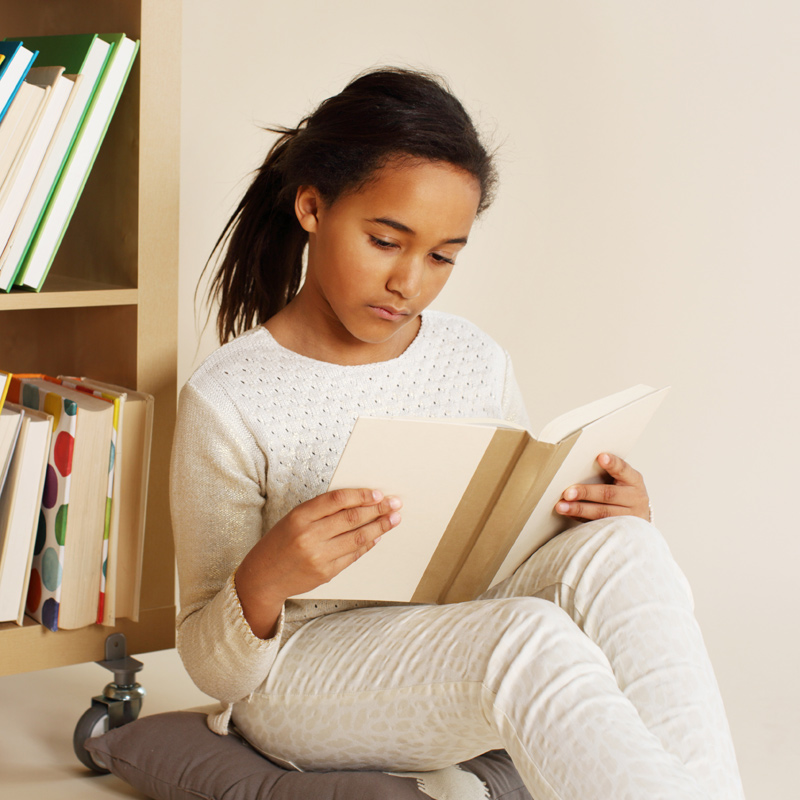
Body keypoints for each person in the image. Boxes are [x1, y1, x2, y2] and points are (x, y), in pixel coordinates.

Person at [170, 67, 745, 799]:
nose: (410, 281)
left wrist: (590, 514)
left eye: (443, 256)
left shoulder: (472, 357)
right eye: (385, 240)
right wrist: (268, 578)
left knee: (626, 545)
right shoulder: (229, 396)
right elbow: (209, 664)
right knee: (526, 640)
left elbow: (505, 548)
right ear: (312, 206)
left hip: (457, 642)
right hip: (301, 680)